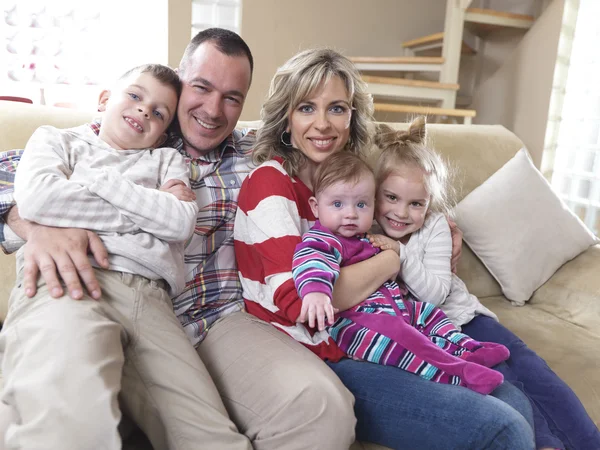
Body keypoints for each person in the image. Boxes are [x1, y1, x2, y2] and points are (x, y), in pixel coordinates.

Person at [0, 30, 355, 449]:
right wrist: (33, 225)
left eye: (232, 98)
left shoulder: (254, 153)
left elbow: (339, 163)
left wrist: (400, 240)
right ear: (179, 79)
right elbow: (15, 169)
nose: (213, 109)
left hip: (217, 320)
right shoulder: (130, 126)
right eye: (201, 88)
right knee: (67, 410)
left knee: (322, 408)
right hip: (98, 287)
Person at [233, 47, 535, 449]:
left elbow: (397, 216)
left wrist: (436, 229)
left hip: (378, 333)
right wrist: (392, 258)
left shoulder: (346, 182)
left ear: (352, 116)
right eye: (306, 107)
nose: (323, 124)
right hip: (327, 352)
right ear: (286, 119)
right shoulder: (270, 183)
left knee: (513, 396)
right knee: (504, 427)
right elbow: (304, 303)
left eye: (337, 108)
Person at [0, 63, 233, 449]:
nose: (144, 110)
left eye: (159, 113)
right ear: (105, 99)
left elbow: (177, 223)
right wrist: (148, 214)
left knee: (214, 438)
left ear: (164, 132)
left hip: (152, 301)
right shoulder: (57, 140)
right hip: (69, 277)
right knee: (70, 417)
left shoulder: (166, 161)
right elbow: (38, 201)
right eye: (136, 96)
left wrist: (96, 181)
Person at [369, 120, 600, 450]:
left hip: (468, 316)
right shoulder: (369, 230)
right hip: (441, 336)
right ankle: (546, 444)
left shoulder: (433, 227)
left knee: (533, 368)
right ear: (375, 193)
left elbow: (434, 293)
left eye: (416, 203)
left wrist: (400, 254)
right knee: (506, 381)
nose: (401, 213)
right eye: (391, 197)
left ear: (430, 202)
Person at [292, 151, 508, 394]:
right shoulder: (323, 238)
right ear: (316, 207)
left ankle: (468, 351)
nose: (351, 213)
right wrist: (315, 293)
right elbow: (311, 262)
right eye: (338, 204)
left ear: (372, 204)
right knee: (405, 338)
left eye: (361, 204)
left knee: (428, 314)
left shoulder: (366, 237)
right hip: (358, 326)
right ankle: (459, 374)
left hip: (392, 311)